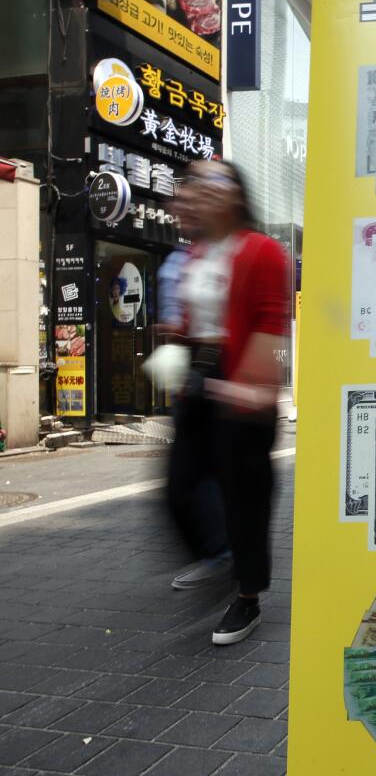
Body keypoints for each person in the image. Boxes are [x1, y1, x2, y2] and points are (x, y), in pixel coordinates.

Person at [169, 158, 290, 645]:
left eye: (214, 180)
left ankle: (247, 597)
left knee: (245, 497)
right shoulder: (197, 251)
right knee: (178, 488)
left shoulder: (262, 250)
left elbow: (271, 324)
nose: (201, 189)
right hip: (199, 377)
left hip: (241, 377)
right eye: (196, 181)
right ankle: (218, 558)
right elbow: (191, 320)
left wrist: (255, 386)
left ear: (238, 195)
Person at [159, 241, 231, 591]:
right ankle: (219, 551)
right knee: (188, 476)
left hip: (212, 373)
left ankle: (221, 553)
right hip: (194, 375)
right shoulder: (182, 258)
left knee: (196, 473)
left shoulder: (223, 254)